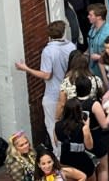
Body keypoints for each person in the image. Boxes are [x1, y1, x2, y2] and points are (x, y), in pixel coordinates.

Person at [15, 20, 75, 158]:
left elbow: (47, 75)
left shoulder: (48, 51)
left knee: (52, 126)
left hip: (53, 95)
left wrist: (26, 69)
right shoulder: (71, 46)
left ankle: (59, 157)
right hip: (69, 93)